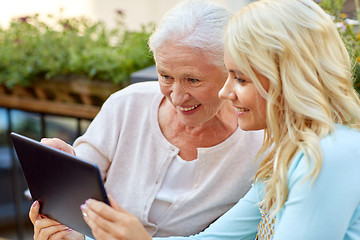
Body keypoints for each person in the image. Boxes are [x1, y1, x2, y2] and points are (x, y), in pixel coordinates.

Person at [65, 0, 360, 239]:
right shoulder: (290, 153)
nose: (226, 92)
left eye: (239, 79)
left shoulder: (327, 154)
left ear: (288, 80)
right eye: (165, 75)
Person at [29, 0, 264, 239]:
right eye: (165, 76)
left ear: (230, 72)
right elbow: (76, 195)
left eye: (193, 80)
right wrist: (60, 184)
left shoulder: (259, 143)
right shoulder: (128, 104)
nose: (177, 96)